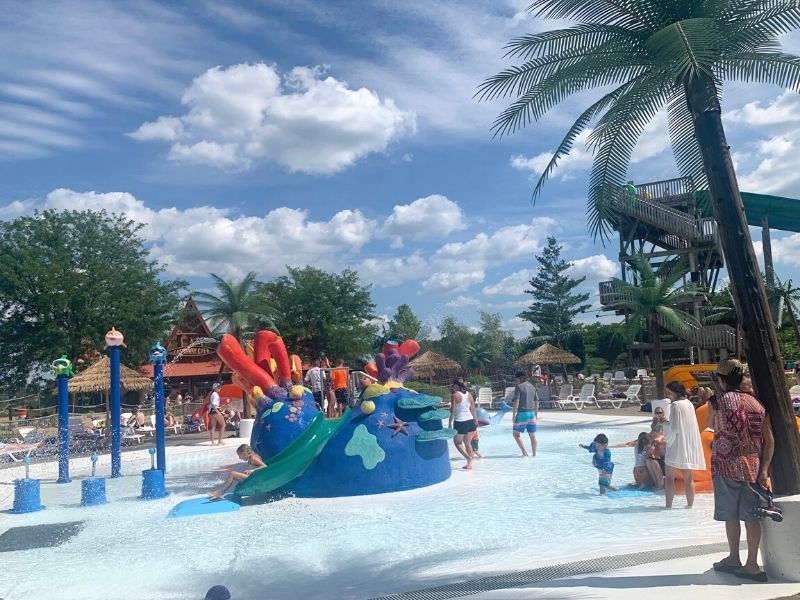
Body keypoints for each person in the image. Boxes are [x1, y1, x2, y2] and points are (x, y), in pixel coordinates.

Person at [710, 359, 774, 583]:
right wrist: (764, 470)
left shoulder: (717, 401)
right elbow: (769, 440)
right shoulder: (758, 404)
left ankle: (734, 557)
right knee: (751, 517)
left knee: (731, 515)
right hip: (754, 467)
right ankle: (752, 565)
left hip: (726, 465)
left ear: (722, 379)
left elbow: (711, 426)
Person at [663, 381, 706, 509]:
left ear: (675, 392)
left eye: (669, 392)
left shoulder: (675, 405)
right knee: (688, 478)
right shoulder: (689, 404)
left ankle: (668, 506)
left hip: (677, 445)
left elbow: (674, 428)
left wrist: (664, 424)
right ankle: (690, 506)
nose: (668, 395)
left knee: (669, 477)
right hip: (688, 444)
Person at [448, 377, 478, 470]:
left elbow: (452, 411)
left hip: (460, 422)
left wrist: (450, 423)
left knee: (457, 443)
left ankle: (468, 458)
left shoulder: (455, 395)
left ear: (456, 385)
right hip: (470, 421)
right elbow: (473, 409)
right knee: (467, 443)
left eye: (453, 385)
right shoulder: (469, 394)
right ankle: (470, 464)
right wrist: (475, 420)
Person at [511, 370, 539, 457]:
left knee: (516, 434)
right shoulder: (532, 387)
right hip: (531, 414)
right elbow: (537, 402)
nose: (516, 381)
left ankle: (524, 452)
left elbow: (516, 402)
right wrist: (536, 414)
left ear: (520, 378)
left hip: (522, 413)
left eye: (516, 379)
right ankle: (534, 454)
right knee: (532, 435)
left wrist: (514, 415)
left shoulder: (519, 387)